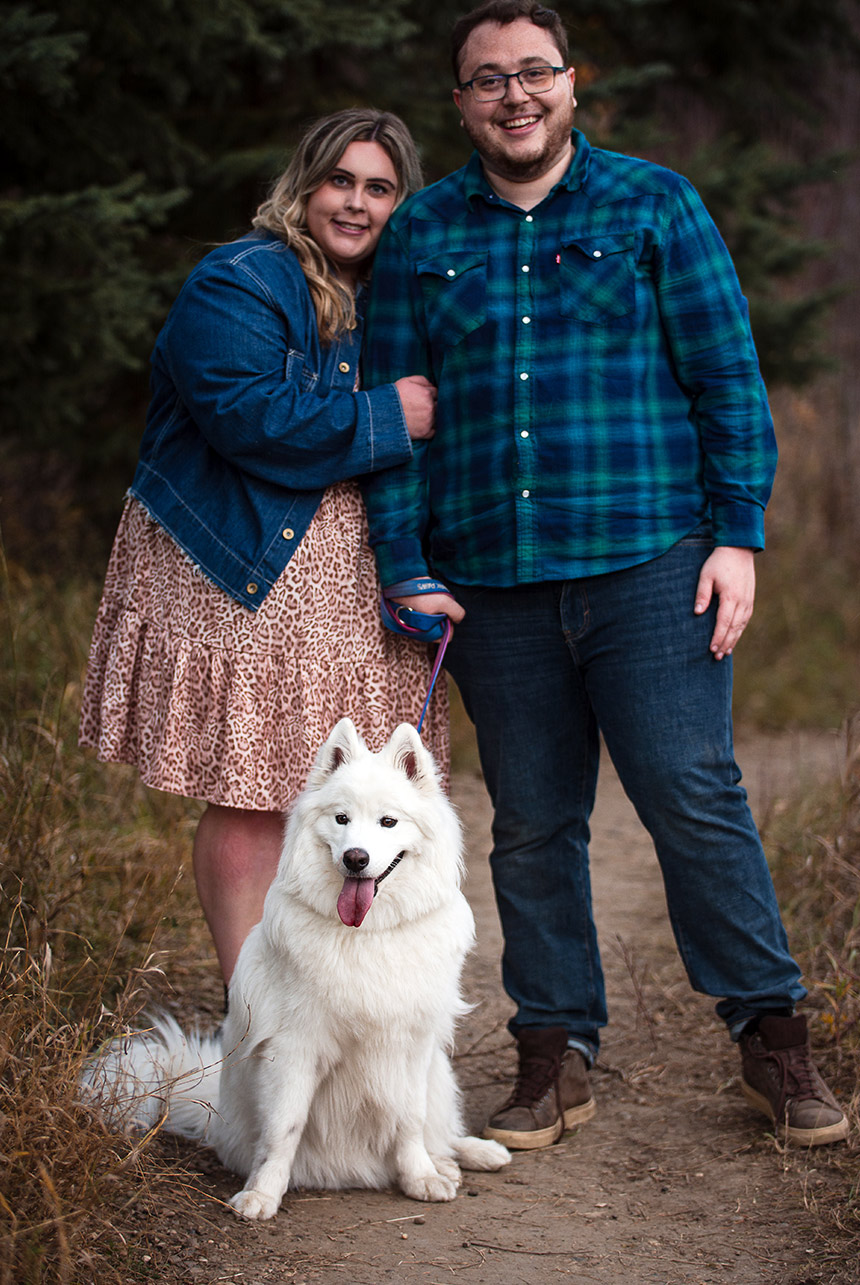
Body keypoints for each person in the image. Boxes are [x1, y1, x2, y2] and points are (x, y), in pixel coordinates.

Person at [360, 1, 848, 1149]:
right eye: (488, 80)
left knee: (690, 793)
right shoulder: (421, 235)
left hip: (651, 562)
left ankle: (771, 1042)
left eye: (534, 72)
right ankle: (552, 1055)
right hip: (492, 584)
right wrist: (404, 563)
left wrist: (737, 536)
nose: (514, 95)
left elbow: (726, 377)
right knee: (530, 823)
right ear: (461, 102)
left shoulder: (653, 203)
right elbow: (392, 419)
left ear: (571, 83)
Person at [79, 109, 447, 989]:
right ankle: (255, 1006)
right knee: (254, 787)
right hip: (243, 566)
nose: (357, 204)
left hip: (360, 580)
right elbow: (250, 420)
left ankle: (338, 997)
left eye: (380, 188)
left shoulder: (398, 296)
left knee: (357, 791)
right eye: (341, 181)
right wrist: (394, 413)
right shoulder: (239, 281)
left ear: (403, 202)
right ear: (306, 184)